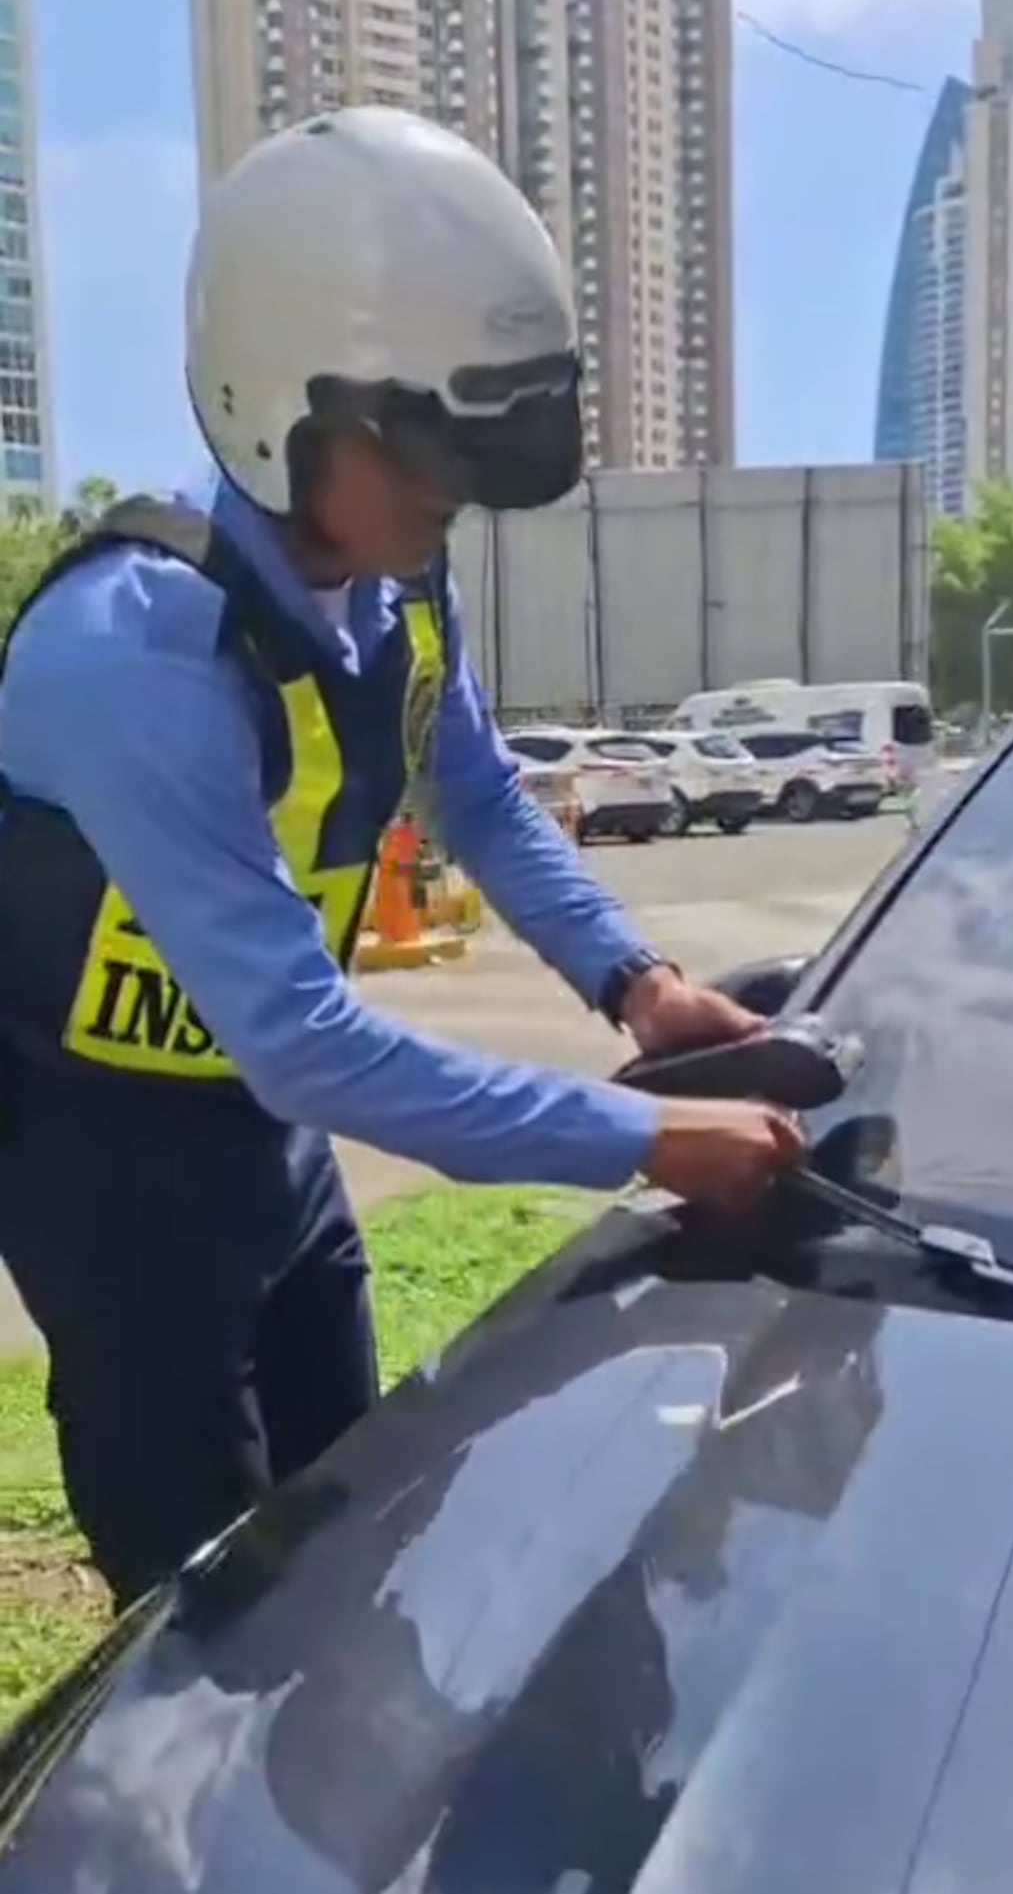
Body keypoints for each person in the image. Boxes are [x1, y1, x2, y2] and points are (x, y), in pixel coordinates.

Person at [0, 107, 804, 1610]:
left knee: (356, 1531)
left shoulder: (393, 580)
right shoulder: (132, 655)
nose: (459, 495)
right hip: (107, 1171)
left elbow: (482, 797)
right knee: (205, 1615)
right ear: (278, 406)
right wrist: (644, 1141)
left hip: (265, 1139)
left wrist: (638, 983)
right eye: (426, 450)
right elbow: (308, 1042)